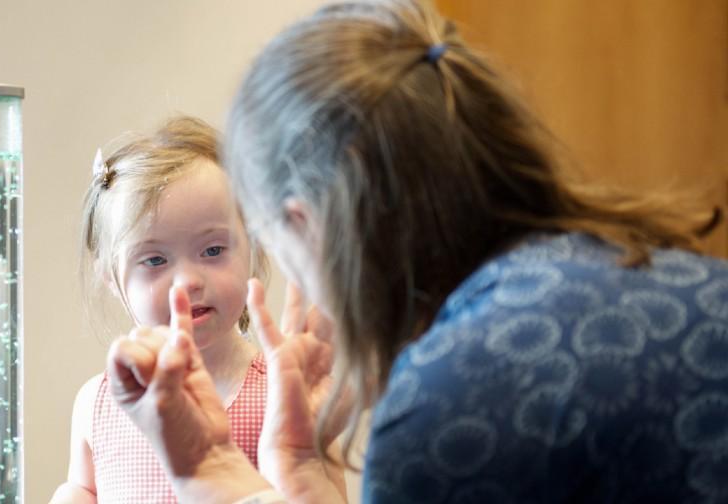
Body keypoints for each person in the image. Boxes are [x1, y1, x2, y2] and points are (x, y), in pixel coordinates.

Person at [106, 1, 728, 503]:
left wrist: (205, 468)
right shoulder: (685, 279)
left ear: (305, 225)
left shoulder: (447, 406)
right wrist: (290, 471)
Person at [50, 117, 274, 503]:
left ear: (251, 249)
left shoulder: (279, 393)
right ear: (111, 279)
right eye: (154, 260)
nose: (186, 281)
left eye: (213, 250)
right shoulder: (97, 401)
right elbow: (81, 489)